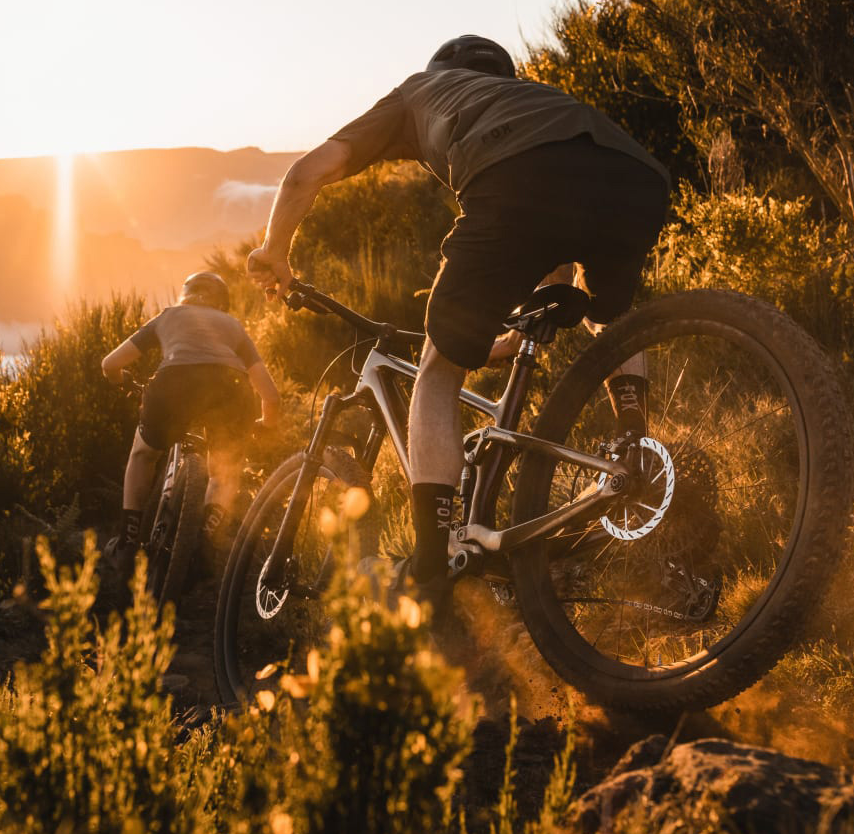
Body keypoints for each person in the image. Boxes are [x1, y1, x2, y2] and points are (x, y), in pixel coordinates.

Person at [247, 34, 670, 611]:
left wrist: (275, 252)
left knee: (438, 369)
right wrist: (521, 321)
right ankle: (633, 439)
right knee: (608, 313)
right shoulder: (531, 99)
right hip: (634, 176)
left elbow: (306, 173)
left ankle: (433, 553)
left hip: (515, 180)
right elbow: (553, 227)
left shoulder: (418, 92)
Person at [101, 271, 281, 572]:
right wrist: (266, 425)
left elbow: (110, 363)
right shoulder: (233, 326)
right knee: (224, 473)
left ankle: (128, 543)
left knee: (143, 454)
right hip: (231, 391)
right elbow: (271, 396)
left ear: (185, 295)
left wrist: (121, 382)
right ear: (222, 303)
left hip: (173, 384)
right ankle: (205, 544)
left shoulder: (169, 316)